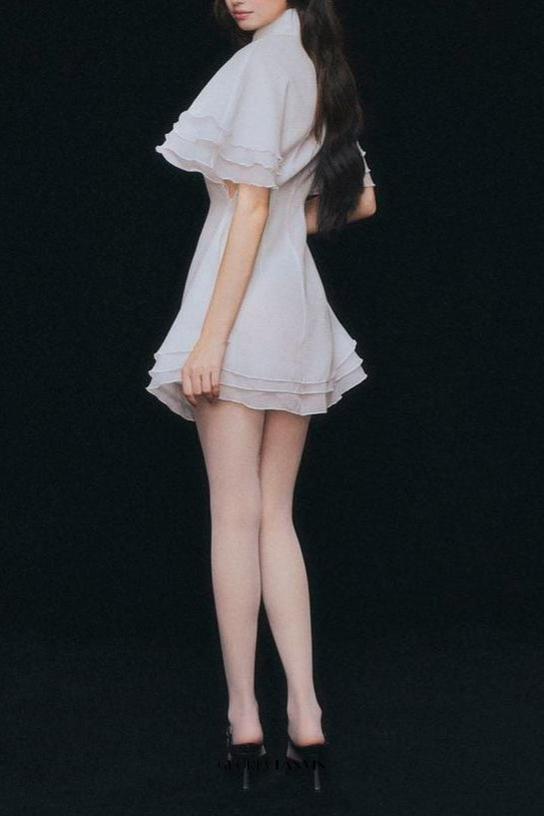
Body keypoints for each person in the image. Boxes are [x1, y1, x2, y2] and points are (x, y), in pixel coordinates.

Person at [146, 0, 377, 791]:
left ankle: (245, 717)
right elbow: (360, 197)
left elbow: (248, 205)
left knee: (234, 516)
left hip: (239, 309)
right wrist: (282, 229)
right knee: (276, 514)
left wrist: (210, 339)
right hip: (295, 309)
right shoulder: (319, 69)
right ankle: (307, 716)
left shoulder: (258, 67)